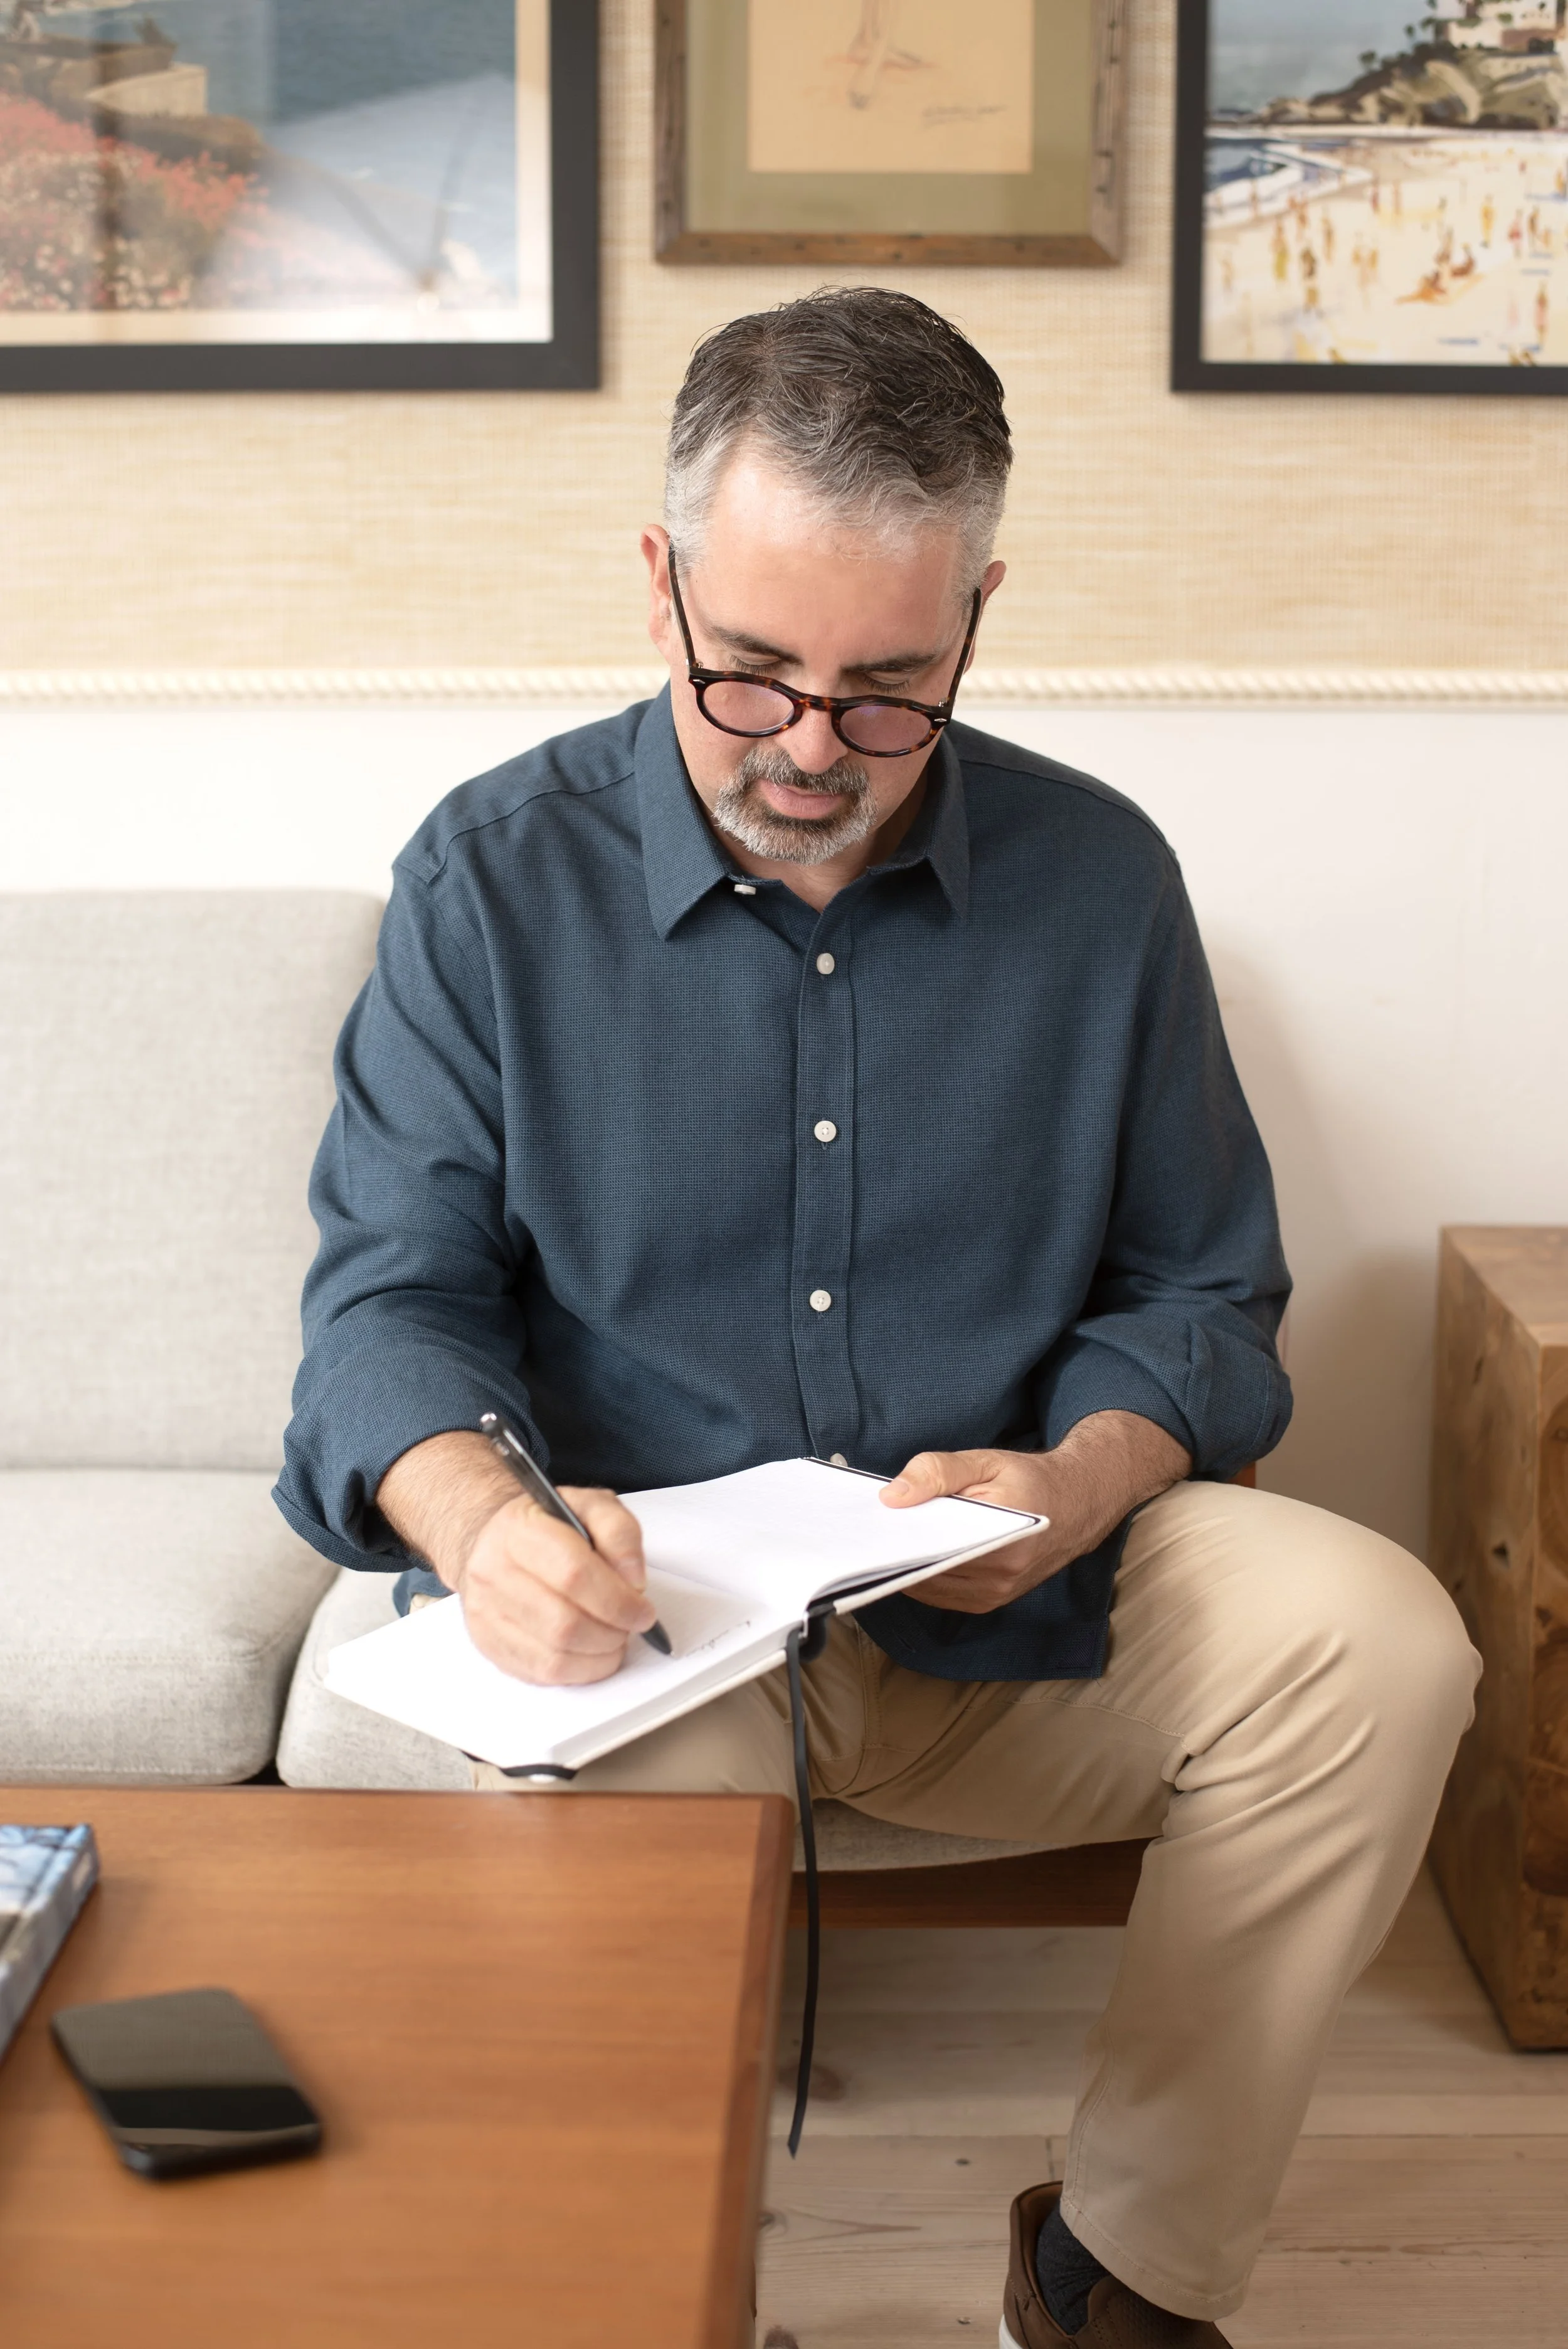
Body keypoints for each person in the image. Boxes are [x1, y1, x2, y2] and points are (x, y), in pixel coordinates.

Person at [275, 288, 1478, 2346]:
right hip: (653, 1627)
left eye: (888, 685)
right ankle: (663, 2294)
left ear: (979, 610)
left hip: (1020, 1601)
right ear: (655, 582)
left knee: (1383, 1645)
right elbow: (391, 1294)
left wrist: (1082, 1483)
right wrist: (489, 1532)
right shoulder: (488, 879)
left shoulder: (1099, 882)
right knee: (443, 1814)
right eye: (748, 676)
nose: (813, 753)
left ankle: (1118, 2270)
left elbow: (1201, 1289)